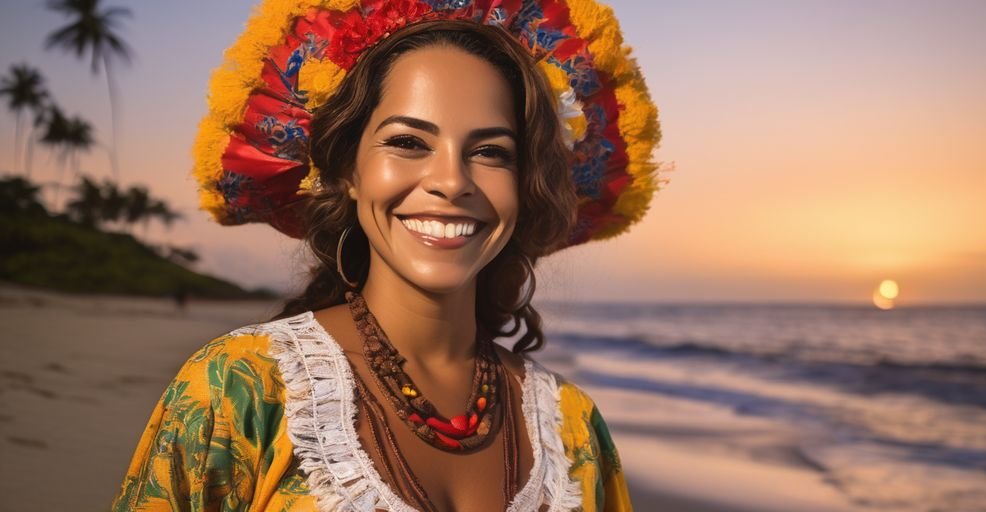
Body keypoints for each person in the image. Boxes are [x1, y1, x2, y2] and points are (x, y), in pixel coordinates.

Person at [113, 1, 660, 511]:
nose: (451, 181)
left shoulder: (573, 428)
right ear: (348, 170)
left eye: (491, 152)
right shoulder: (238, 388)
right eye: (407, 142)